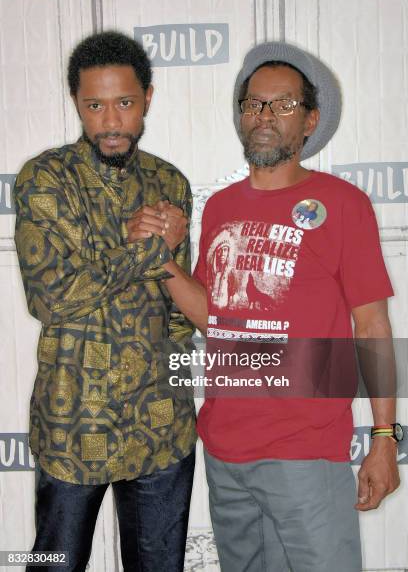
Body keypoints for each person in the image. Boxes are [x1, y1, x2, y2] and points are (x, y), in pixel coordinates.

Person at [133, 42, 402, 572]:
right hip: (226, 451)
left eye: (282, 106)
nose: (264, 116)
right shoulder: (221, 207)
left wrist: (385, 438)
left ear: (310, 120)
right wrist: (161, 260)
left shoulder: (344, 204)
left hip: (306, 452)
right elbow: (213, 316)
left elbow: (371, 323)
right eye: (254, 104)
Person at [13, 30, 196, 572]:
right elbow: (52, 297)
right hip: (72, 427)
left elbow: (178, 313)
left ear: (147, 100)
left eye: (124, 103)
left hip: (161, 427)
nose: (111, 122)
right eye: (95, 105)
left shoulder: (170, 183)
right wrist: (146, 251)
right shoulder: (44, 179)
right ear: (76, 103)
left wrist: (182, 394)